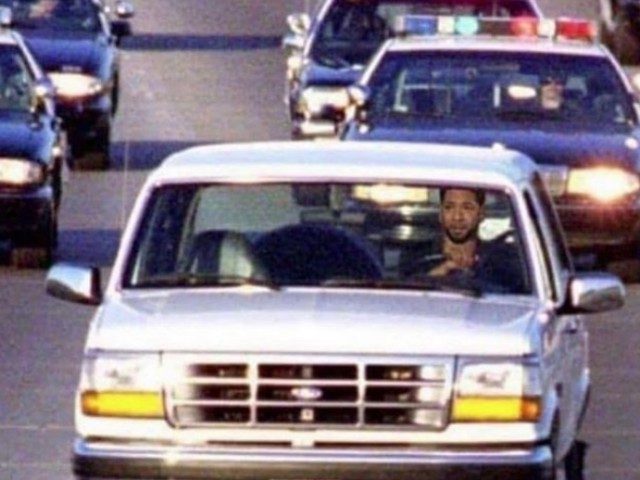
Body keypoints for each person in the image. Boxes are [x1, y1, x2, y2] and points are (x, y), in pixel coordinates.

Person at [428, 187, 485, 277]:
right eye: (449, 207)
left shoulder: (498, 260)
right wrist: (437, 275)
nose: (457, 217)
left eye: (467, 208)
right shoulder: (418, 255)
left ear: (481, 213)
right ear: (440, 213)